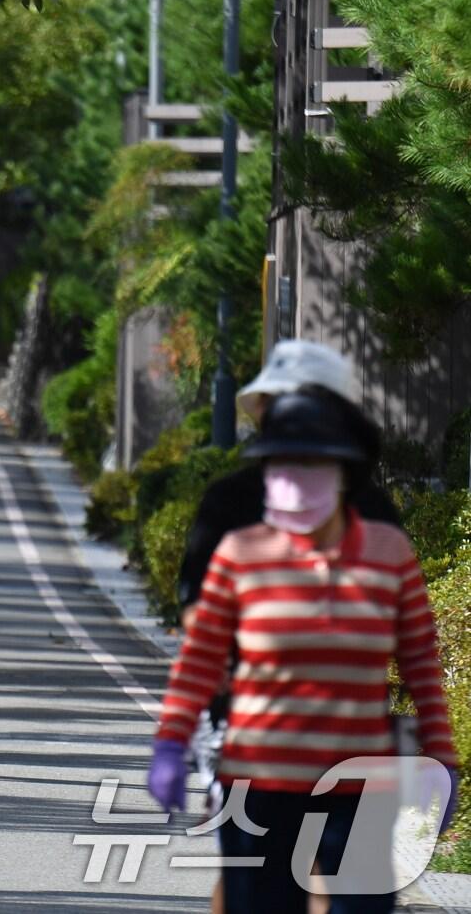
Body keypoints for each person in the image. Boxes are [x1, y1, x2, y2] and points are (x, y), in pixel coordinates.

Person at [149, 387, 459, 914]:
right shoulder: (241, 553)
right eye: (280, 463)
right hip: (259, 785)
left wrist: (442, 757)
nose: (295, 477)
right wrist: (171, 743)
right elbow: (201, 659)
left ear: (342, 472)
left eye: (310, 462)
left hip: (359, 786)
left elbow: (420, 664)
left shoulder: (389, 554)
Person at [176, 342, 403, 914]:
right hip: (249, 727)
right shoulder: (229, 502)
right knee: (259, 875)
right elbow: (195, 611)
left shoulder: (375, 512)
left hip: (353, 736)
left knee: (350, 885)